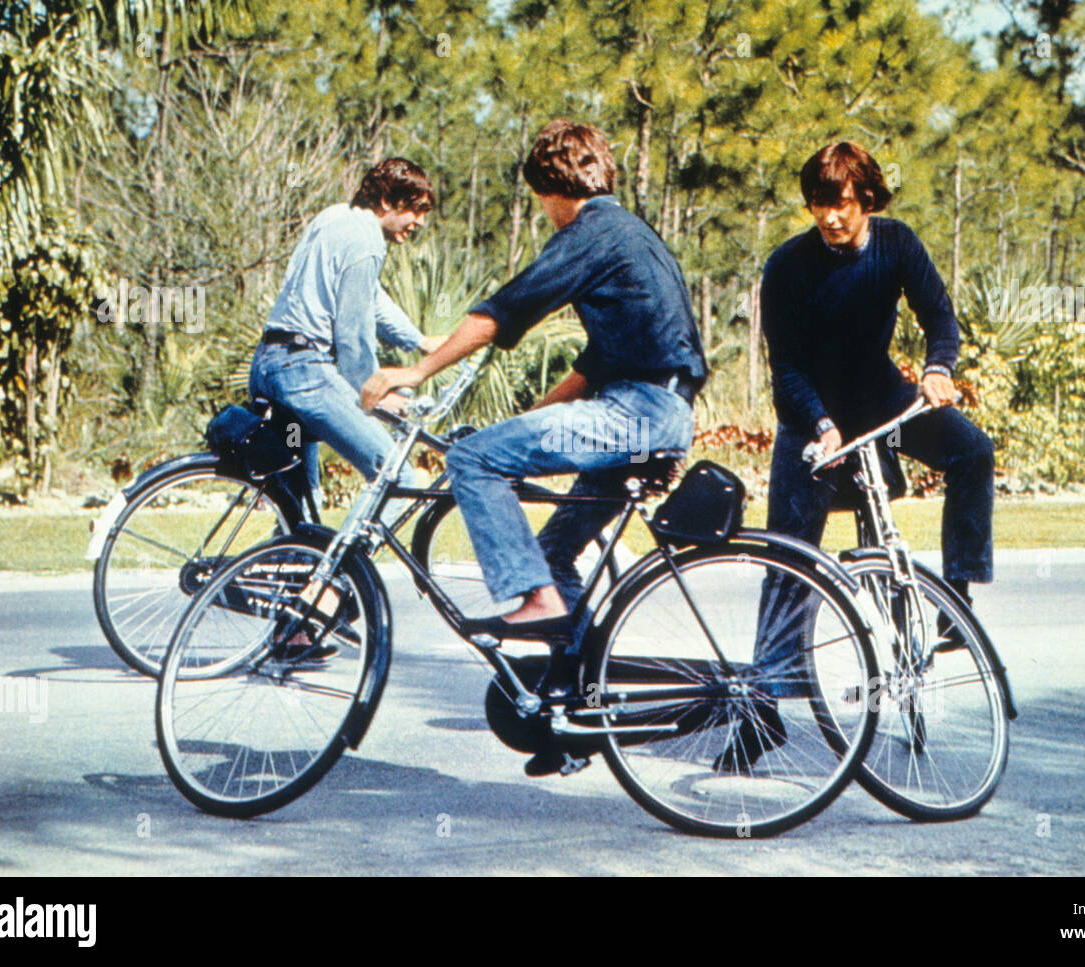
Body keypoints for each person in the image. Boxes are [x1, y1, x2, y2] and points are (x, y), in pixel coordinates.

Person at [364, 120, 706, 719]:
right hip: (659, 412)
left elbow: (505, 310)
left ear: (551, 187)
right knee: (553, 553)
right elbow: (599, 361)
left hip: (637, 414)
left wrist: (417, 372)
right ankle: (571, 705)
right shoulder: (633, 236)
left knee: (471, 457)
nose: (544, 213)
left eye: (540, 200)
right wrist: (533, 419)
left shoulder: (591, 230)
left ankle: (536, 602)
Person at [741, 140, 995, 770]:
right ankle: (762, 710)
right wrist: (821, 425)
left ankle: (955, 603)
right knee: (789, 554)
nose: (831, 217)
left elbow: (939, 314)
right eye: (820, 205)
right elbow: (786, 368)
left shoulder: (896, 244)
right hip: (812, 415)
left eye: (845, 205)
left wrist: (938, 368)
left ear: (870, 202)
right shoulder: (788, 266)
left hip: (884, 406)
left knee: (971, 452)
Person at [248, 158, 445, 509]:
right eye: (415, 210)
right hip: (304, 372)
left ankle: (298, 558)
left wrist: (417, 340)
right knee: (395, 475)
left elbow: (371, 297)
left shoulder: (333, 217)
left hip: (268, 365)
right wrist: (375, 389)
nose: (420, 222)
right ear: (386, 201)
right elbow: (353, 335)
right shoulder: (367, 240)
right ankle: (349, 563)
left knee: (299, 501)